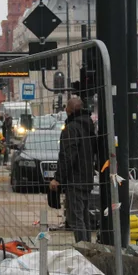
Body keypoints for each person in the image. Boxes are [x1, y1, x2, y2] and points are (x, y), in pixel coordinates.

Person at [50, 96, 98, 243]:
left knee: (76, 219)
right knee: (84, 218)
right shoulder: (89, 127)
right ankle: (88, 247)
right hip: (87, 179)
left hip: (75, 180)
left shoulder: (71, 129)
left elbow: (67, 156)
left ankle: (83, 251)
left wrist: (58, 178)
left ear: (68, 110)